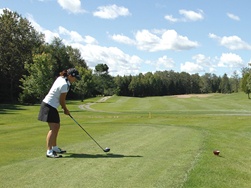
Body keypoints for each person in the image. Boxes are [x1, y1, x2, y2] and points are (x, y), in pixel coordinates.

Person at [38, 68, 81, 158]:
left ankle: (55, 147)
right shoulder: (64, 85)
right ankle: (49, 151)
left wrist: (64, 108)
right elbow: (62, 100)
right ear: (70, 76)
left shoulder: (61, 78)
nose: (75, 80)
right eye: (75, 78)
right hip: (49, 106)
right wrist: (65, 109)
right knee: (53, 128)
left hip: (50, 105)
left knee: (56, 126)